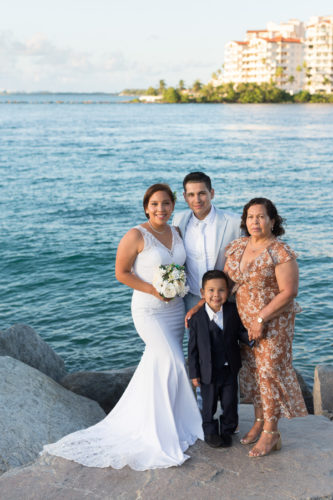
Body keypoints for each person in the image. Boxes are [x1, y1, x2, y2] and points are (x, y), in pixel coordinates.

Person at [42, 183, 203, 470]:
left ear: (172, 206)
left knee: (160, 364)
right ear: (146, 207)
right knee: (171, 360)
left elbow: (183, 268)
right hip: (149, 310)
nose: (160, 209)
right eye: (154, 204)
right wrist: (154, 290)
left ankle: (174, 423)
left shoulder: (176, 232)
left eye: (166, 203)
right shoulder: (136, 235)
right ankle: (159, 433)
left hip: (175, 310)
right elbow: (121, 273)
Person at [224, 197, 308, 458]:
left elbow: (289, 292)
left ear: (273, 220)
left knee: (270, 372)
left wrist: (261, 319)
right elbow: (226, 283)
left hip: (274, 323)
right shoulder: (237, 246)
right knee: (253, 372)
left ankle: (272, 433)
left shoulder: (280, 251)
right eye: (250, 217)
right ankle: (260, 421)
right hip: (244, 323)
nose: (255, 221)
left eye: (261, 216)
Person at [188, 270, 253, 449]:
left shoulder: (233, 311)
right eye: (211, 290)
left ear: (228, 292)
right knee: (208, 404)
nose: (216, 295)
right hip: (207, 371)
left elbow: (240, 332)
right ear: (202, 293)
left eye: (221, 290)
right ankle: (209, 431)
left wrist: (253, 338)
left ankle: (227, 429)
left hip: (229, 369)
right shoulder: (196, 319)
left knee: (229, 402)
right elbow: (192, 350)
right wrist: (194, 374)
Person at [173, 172, 241, 316]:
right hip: (191, 298)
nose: (197, 200)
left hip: (226, 299)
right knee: (195, 339)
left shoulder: (235, 222)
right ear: (185, 197)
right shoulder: (178, 220)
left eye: (202, 193)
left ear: (212, 193)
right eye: (191, 195)